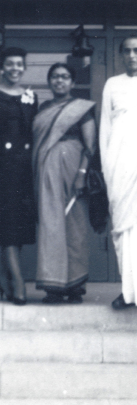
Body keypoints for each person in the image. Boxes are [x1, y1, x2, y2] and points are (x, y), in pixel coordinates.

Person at [33, 62, 97, 304]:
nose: (60, 81)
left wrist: (81, 173)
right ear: (50, 82)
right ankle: (54, 287)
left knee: (75, 226)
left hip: (73, 171)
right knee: (51, 226)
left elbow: (90, 145)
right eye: (55, 77)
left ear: (72, 82)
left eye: (65, 77)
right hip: (47, 171)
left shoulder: (80, 109)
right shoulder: (43, 108)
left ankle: (75, 286)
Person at [0, 47, 38, 305]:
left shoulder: (30, 96)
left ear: (24, 68)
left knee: (21, 223)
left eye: (20, 64)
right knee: (6, 221)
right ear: (1, 68)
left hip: (25, 166)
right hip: (0, 165)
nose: (15, 68)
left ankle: (5, 278)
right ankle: (19, 282)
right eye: (10, 64)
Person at [100, 35, 137, 310]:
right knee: (122, 229)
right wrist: (107, 168)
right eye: (128, 51)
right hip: (119, 166)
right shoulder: (112, 84)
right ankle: (128, 292)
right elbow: (105, 130)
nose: (132, 55)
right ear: (121, 55)